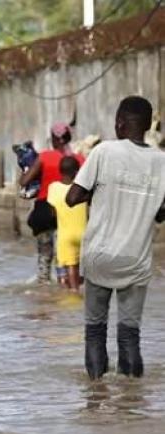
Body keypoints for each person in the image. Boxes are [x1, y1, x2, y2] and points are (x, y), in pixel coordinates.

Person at [65, 96, 165, 380]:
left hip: (99, 256)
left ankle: (97, 396)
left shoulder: (104, 151)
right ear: (147, 126)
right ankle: (131, 401)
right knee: (130, 334)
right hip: (136, 259)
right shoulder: (162, 161)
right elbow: (160, 213)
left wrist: (98, 192)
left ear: (120, 123)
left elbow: (73, 197)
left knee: (95, 329)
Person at [19, 122, 85, 284]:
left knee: (45, 255)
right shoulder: (79, 159)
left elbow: (24, 181)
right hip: (71, 213)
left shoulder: (45, 157)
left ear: (55, 139)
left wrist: (27, 172)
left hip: (45, 211)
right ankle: (67, 292)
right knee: (65, 256)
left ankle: (45, 294)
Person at [46, 156, 86, 292]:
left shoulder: (53, 188)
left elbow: (52, 213)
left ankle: (73, 294)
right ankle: (78, 289)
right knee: (81, 267)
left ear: (60, 171)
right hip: (85, 234)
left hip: (65, 236)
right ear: (77, 171)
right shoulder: (82, 188)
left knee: (70, 266)